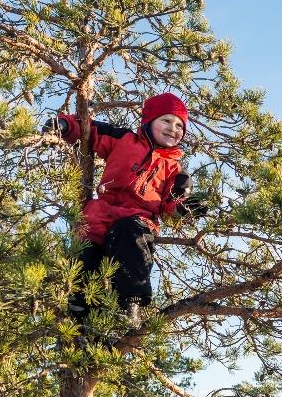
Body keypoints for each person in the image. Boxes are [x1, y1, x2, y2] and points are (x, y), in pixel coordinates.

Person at [43, 92, 206, 329]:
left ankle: (131, 304)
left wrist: (183, 209)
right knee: (86, 252)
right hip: (103, 212)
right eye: (166, 121)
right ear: (148, 121)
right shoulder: (124, 139)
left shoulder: (175, 170)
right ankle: (81, 313)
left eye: (180, 125)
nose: (173, 128)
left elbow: (170, 203)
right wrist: (65, 125)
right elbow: (92, 130)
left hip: (138, 220)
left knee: (133, 243)